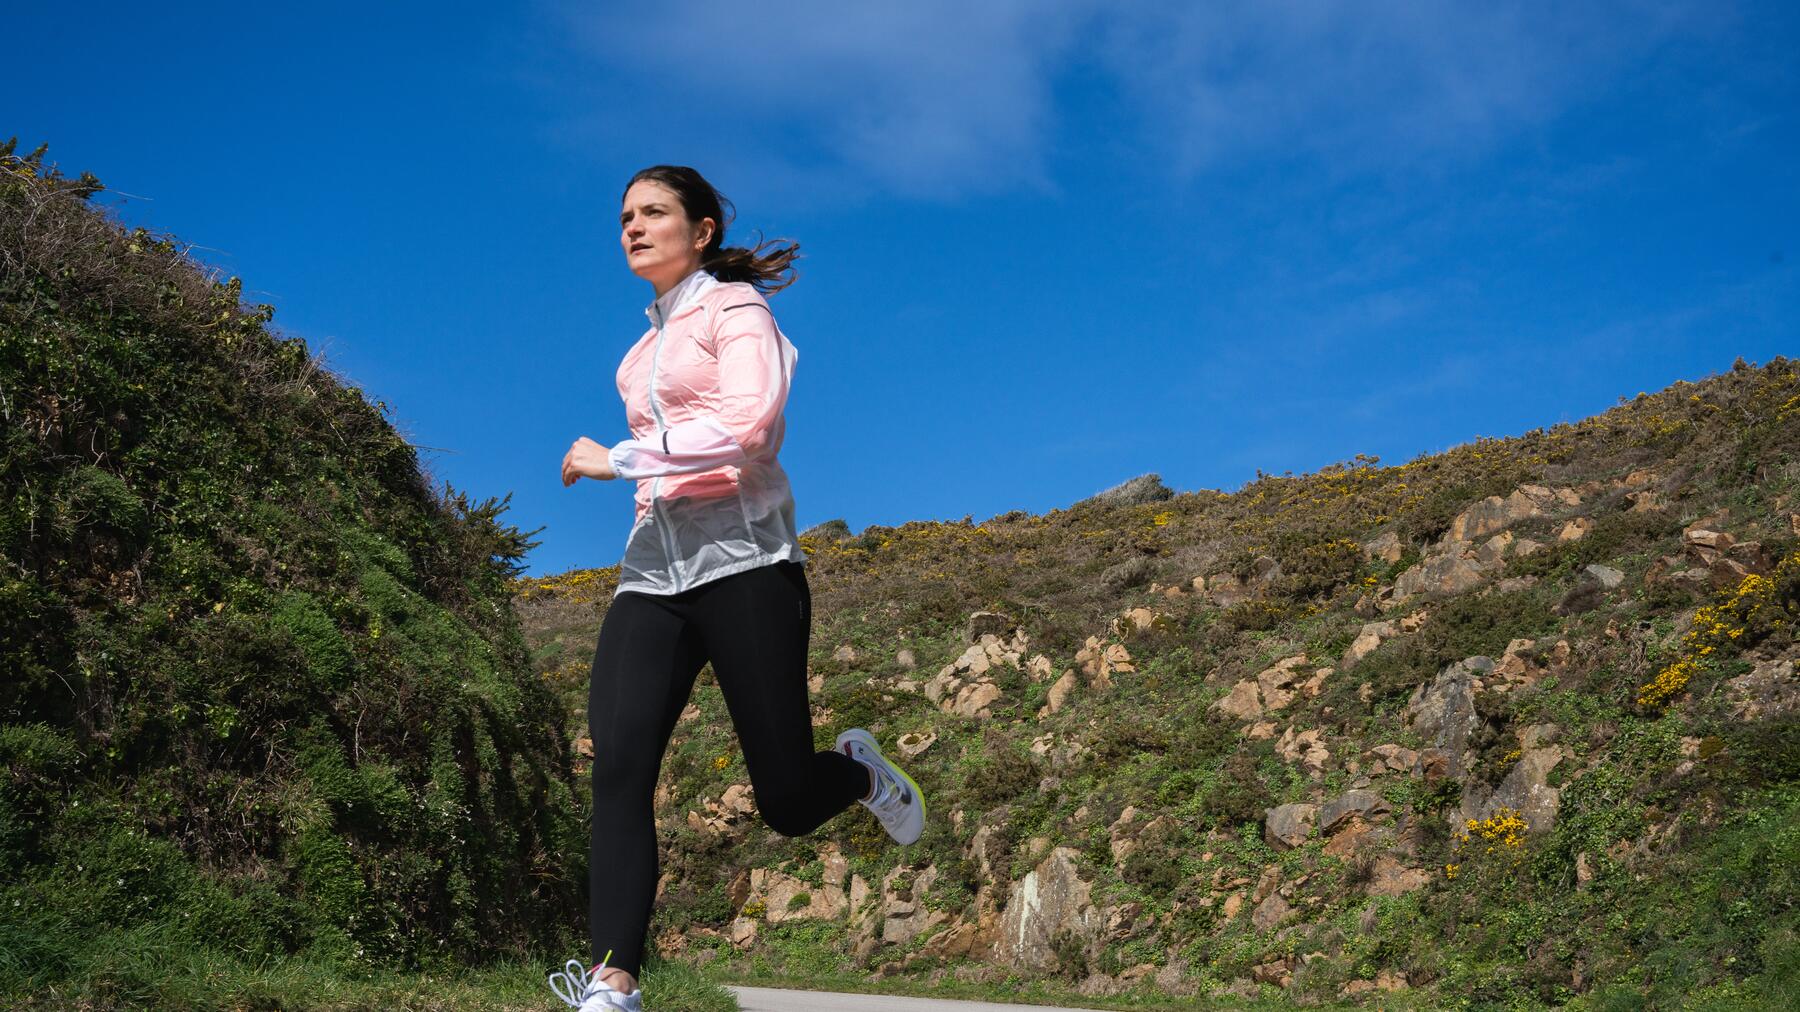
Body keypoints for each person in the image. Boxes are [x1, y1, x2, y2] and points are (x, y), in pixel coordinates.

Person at [545, 165, 926, 1012]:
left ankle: (860, 777)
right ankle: (612, 984)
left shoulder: (737, 311)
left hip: (747, 563)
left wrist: (620, 458)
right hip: (652, 575)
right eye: (625, 216)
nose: (633, 228)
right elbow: (668, 464)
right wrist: (639, 482)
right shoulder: (636, 356)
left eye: (653, 213)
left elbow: (749, 427)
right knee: (619, 766)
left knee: (786, 800)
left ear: (702, 230)